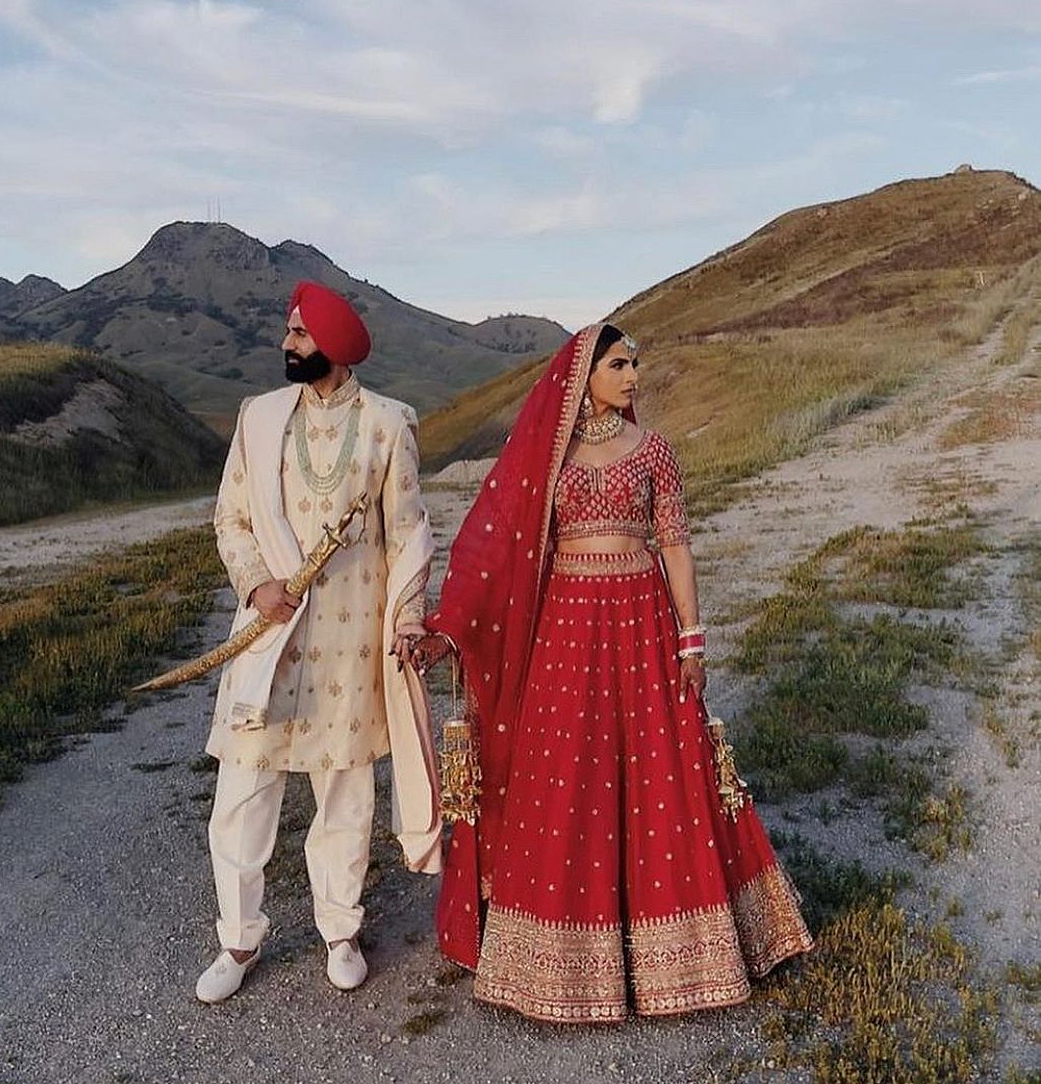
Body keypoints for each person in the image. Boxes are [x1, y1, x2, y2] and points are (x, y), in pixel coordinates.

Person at [411, 323, 813, 1023]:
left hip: (642, 622)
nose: (633, 376)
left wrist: (692, 640)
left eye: (635, 364)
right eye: (619, 364)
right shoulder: (547, 455)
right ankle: (561, 964)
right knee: (569, 774)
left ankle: (684, 955)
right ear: (583, 376)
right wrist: (451, 626)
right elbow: (497, 547)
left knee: (660, 769)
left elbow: (675, 545)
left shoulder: (653, 449)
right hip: (566, 633)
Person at [195, 280, 441, 1004]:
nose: (287, 343)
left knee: (344, 791)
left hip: (349, 639)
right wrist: (255, 584)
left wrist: (407, 618)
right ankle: (239, 939)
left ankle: (340, 930)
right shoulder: (259, 418)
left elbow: (408, 532)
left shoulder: (389, 423)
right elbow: (230, 518)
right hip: (269, 635)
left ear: (330, 343)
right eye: (289, 330)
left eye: (299, 333)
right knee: (242, 791)